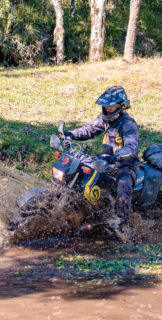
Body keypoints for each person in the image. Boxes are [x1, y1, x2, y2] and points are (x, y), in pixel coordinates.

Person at [63, 86, 139, 241]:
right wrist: (70, 134)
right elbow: (89, 130)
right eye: (106, 106)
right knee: (81, 171)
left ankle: (121, 225)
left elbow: (131, 147)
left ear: (120, 106)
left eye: (111, 107)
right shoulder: (105, 119)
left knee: (123, 185)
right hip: (105, 160)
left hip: (124, 164)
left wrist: (116, 157)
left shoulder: (128, 124)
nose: (108, 109)